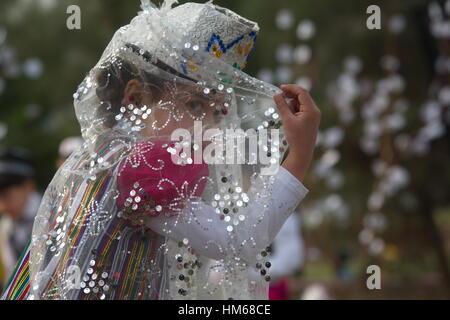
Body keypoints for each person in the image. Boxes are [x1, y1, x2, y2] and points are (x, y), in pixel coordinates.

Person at [2, 0, 320, 300]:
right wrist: (300, 154)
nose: (207, 126)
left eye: (216, 112)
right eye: (194, 104)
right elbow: (236, 244)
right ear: (137, 98)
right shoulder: (150, 167)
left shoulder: (96, 154)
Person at [0, 148, 40, 291]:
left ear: (28, 187)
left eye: (6, 196)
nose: (2, 207)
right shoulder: (6, 226)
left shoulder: (52, 218)